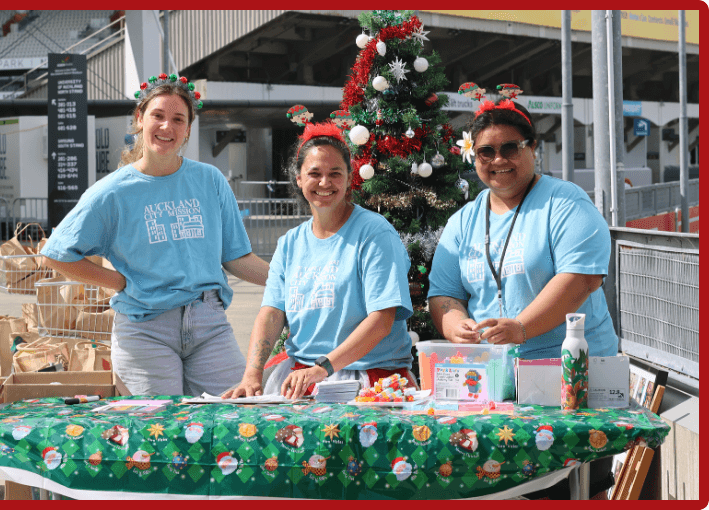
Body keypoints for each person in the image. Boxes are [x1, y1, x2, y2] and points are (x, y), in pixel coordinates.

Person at [427, 99, 617, 499]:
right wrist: (454, 324)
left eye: (510, 147)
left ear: (533, 148)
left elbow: (581, 279)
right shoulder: (463, 220)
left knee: (573, 488)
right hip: (495, 383)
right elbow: (443, 293)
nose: (498, 159)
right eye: (485, 151)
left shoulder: (565, 203)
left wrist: (522, 328)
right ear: (472, 156)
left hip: (570, 378)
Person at [41, 73, 269, 397]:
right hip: (145, 331)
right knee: (158, 433)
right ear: (139, 119)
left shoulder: (210, 181)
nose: (167, 127)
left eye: (178, 119)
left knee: (234, 422)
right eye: (158, 116)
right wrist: (117, 282)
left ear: (188, 128)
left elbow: (236, 258)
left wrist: (288, 278)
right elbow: (56, 253)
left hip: (209, 324)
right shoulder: (113, 192)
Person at [224, 120, 416, 400]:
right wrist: (252, 375)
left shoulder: (374, 233)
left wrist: (322, 368)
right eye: (314, 173)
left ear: (350, 178)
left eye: (335, 173)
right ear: (299, 178)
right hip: (301, 377)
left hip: (366, 379)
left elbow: (381, 320)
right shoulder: (290, 243)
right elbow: (272, 312)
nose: (325, 183)